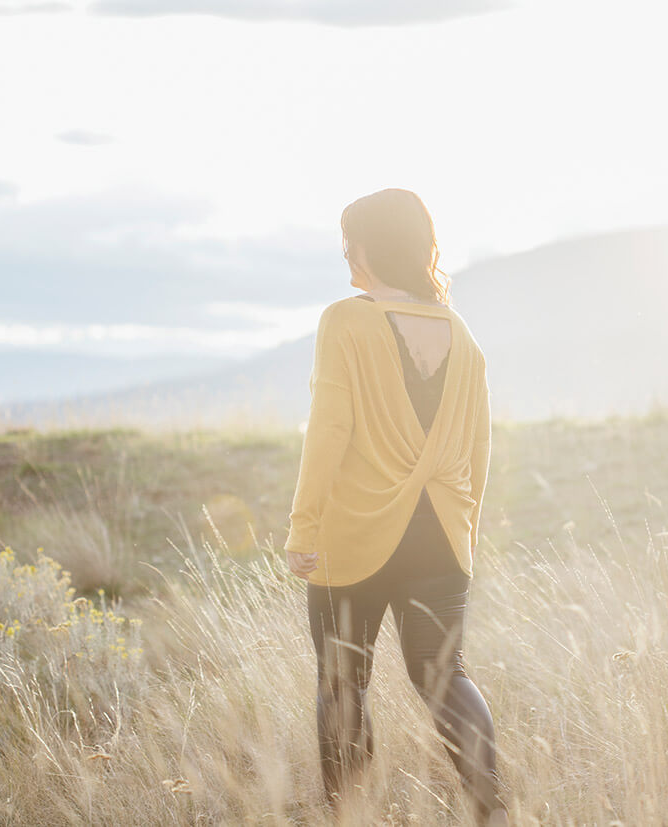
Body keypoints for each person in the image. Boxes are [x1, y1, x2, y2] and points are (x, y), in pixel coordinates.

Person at [284, 188, 509, 825]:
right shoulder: (459, 332)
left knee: (342, 683)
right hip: (442, 532)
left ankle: (351, 817)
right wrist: (465, 524)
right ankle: (493, 811)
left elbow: (329, 428)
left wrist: (304, 525)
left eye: (349, 241)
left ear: (369, 246)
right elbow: (479, 445)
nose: (345, 254)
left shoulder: (346, 320)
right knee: (446, 676)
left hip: (354, 531)